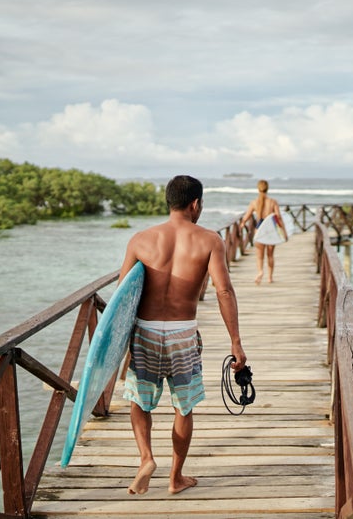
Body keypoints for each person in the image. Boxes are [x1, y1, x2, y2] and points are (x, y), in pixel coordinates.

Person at [118, 174, 247, 496]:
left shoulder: (140, 240)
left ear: (169, 201)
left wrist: (119, 347)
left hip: (146, 331)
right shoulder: (209, 240)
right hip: (183, 334)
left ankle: (146, 458)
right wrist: (236, 343)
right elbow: (224, 292)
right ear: (196, 204)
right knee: (183, 407)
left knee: (139, 401)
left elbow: (123, 295)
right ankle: (175, 478)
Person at [239, 179, 288, 284]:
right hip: (271, 231)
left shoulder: (254, 202)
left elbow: (246, 217)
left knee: (259, 256)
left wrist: (242, 224)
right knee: (270, 255)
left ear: (258, 189)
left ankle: (260, 272)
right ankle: (270, 278)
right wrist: (284, 232)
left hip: (259, 230)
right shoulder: (273, 202)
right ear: (267, 189)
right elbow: (278, 218)